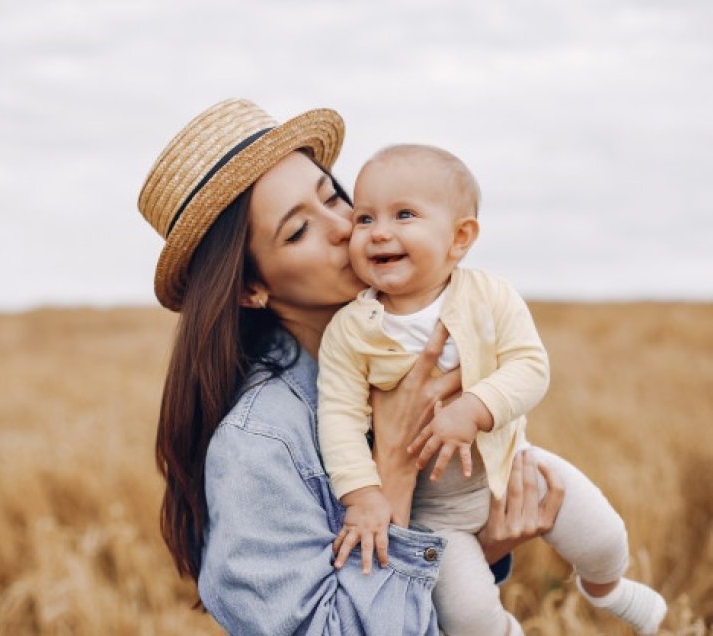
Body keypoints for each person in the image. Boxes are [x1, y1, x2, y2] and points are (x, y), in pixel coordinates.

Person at [137, 99, 564, 635]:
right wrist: (392, 466)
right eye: (298, 231)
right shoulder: (260, 443)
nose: (346, 227)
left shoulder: (400, 356)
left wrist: (488, 546)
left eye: (334, 197)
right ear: (251, 288)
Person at [316, 144, 667, 635]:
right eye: (364, 218)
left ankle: (606, 587)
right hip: (434, 513)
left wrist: (475, 408)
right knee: (468, 618)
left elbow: (529, 364)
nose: (380, 232)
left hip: (511, 462)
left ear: (459, 238)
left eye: (404, 214)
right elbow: (337, 416)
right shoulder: (351, 330)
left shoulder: (488, 295)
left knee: (605, 536)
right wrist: (362, 496)